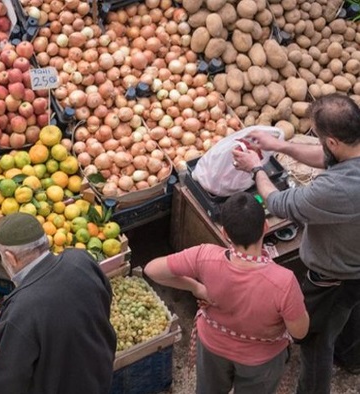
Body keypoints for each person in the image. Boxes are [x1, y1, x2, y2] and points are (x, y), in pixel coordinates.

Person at [233, 93, 360, 394]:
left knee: (315, 341)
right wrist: (279, 146)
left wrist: (255, 169)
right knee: (351, 312)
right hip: (356, 265)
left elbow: (279, 204)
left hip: (334, 278)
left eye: (317, 137)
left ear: (332, 142)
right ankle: (353, 358)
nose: (317, 142)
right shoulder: (350, 151)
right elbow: (329, 158)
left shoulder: (337, 189)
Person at [144, 193, 309, 394]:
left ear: (224, 233)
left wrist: (196, 288)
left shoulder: (204, 255)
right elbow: (299, 332)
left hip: (212, 347)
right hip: (260, 361)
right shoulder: (284, 281)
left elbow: (152, 270)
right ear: (265, 227)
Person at [0, 212, 117, 394]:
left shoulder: (19, 311)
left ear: (10, 257)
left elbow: (7, 384)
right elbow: (105, 299)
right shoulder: (81, 260)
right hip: (99, 376)